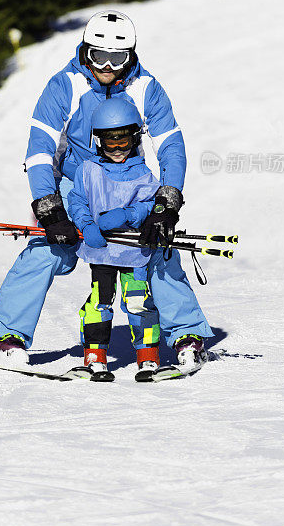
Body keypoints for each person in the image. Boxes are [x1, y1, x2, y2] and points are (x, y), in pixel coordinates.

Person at [0, 9, 213, 364]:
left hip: (128, 178)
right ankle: (5, 335)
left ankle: (187, 335)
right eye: (97, 56)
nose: (106, 65)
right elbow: (40, 149)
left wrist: (166, 203)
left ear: (130, 55)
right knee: (47, 250)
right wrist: (48, 204)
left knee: (155, 245)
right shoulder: (64, 85)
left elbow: (170, 145)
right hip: (78, 181)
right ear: (85, 50)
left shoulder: (145, 87)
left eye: (117, 58)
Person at [67, 98, 208, 379]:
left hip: (134, 253)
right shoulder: (87, 170)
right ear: (98, 141)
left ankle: (148, 358)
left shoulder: (144, 173)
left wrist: (129, 214)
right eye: (110, 142)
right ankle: (95, 357)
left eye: (124, 142)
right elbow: (76, 200)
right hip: (102, 252)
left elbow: (151, 204)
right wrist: (85, 223)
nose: (118, 149)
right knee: (99, 301)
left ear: (135, 138)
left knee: (138, 302)